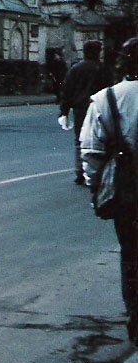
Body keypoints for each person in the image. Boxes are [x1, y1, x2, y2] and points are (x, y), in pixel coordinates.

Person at [80, 36, 138, 346]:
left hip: (128, 193)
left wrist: (95, 187)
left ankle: (135, 317)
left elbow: (91, 151)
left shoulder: (106, 99)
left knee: (131, 255)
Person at [61, 40, 114, 186]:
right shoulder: (104, 69)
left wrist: (64, 111)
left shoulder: (75, 69)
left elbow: (67, 90)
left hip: (80, 109)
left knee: (80, 140)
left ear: (84, 52)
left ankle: (80, 172)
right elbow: (110, 90)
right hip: (100, 107)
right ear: (98, 52)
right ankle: (99, 171)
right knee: (101, 139)